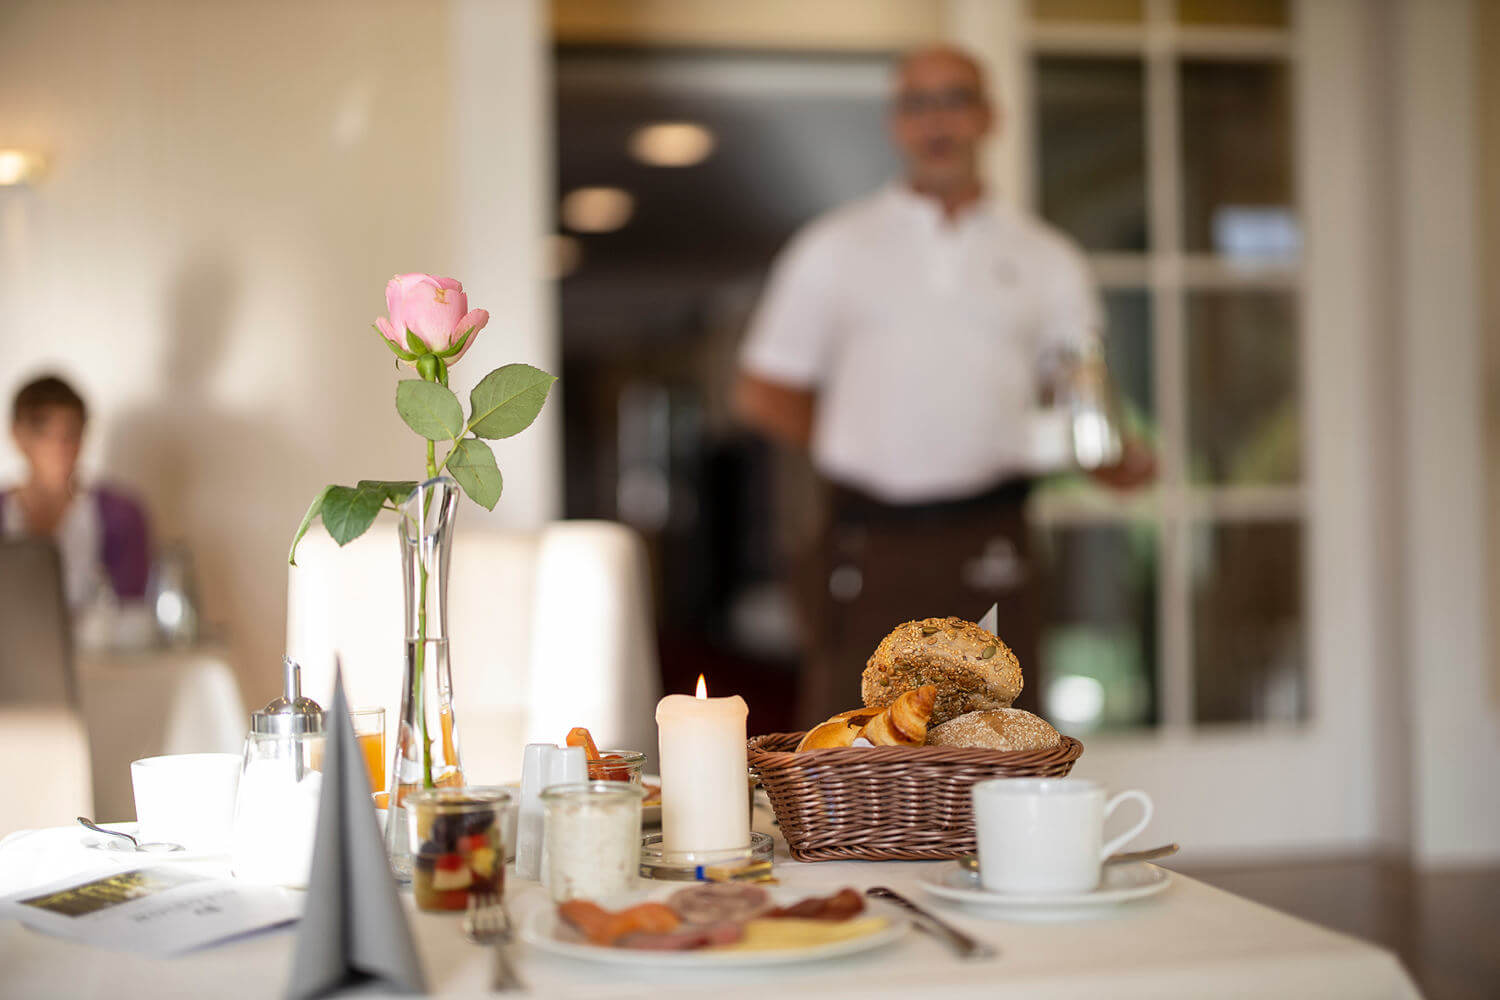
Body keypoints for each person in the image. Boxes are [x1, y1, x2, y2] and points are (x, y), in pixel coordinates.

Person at [734, 45, 1152, 725]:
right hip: (865, 543)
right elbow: (763, 391)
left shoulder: (1048, 261)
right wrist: (871, 442)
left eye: (954, 99)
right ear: (896, 124)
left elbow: (1079, 401)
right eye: (916, 103)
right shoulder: (834, 247)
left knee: (1001, 746)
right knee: (855, 755)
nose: (936, 122)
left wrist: (1117, 459)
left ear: (989, 117)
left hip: (993, 540)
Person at [3, 374, 150, 608]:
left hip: (98, 644)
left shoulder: (120, 516)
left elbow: (133, 610)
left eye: (70, 434)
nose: (59, 448)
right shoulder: (5, 512)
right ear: (18, 436)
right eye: (45, 434)